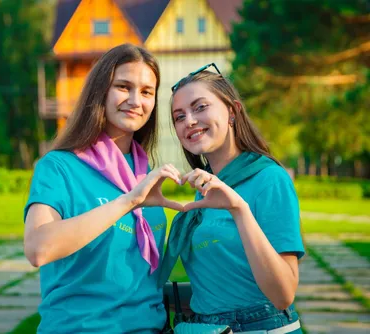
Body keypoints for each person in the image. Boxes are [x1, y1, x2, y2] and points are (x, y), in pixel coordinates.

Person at [24, 43, 184, 334]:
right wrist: (128, 201)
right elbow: (38, 249)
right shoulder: (59, 167)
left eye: (147, 92)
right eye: (123, 86)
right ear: (100, 91)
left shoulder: (143, 172)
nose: (136, 100)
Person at [159, 64, 305, 333]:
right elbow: (220, 286)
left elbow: (283, 294)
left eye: (200, 107)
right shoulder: (205, 187)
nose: (189, 121)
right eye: (179, 117)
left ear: (232, 111)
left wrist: (239, 209)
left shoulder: (269, 179)